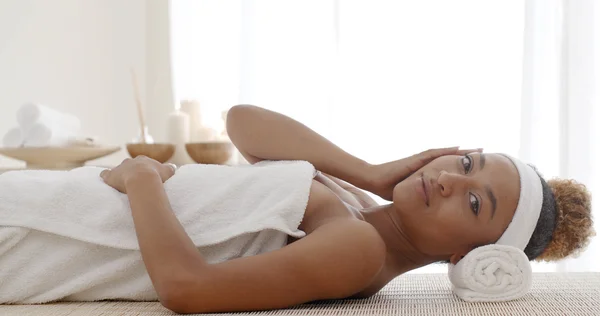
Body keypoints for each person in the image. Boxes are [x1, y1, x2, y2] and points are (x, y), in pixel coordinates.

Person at [98, 104, 594, 314]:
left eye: (472, 201)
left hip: (67, 223)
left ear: (468, 256)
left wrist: (142, 179)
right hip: (92, 196)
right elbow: (242, 122)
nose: (447, 178)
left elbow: (185, 289)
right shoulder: (355, 204)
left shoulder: (359, 248)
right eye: (467, 162)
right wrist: (368, 172)